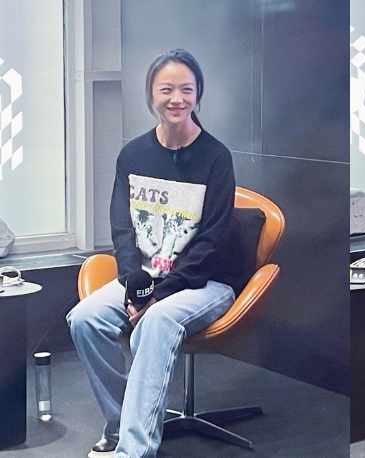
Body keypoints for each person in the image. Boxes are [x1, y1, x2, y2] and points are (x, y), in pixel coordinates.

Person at [67, 49, 239, 458]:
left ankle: (134, 450)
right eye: (167, 89)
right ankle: (120, 423)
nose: (177, 99)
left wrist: (158, 295)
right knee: (85, 319)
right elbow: (122, 229)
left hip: (205, 282)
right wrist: (137, 289)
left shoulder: (216, 157)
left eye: (187, 90)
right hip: (145, 279)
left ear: (198, 95)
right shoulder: (133, 155)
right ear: (151, 95)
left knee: (156, 321)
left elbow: (211, 241)